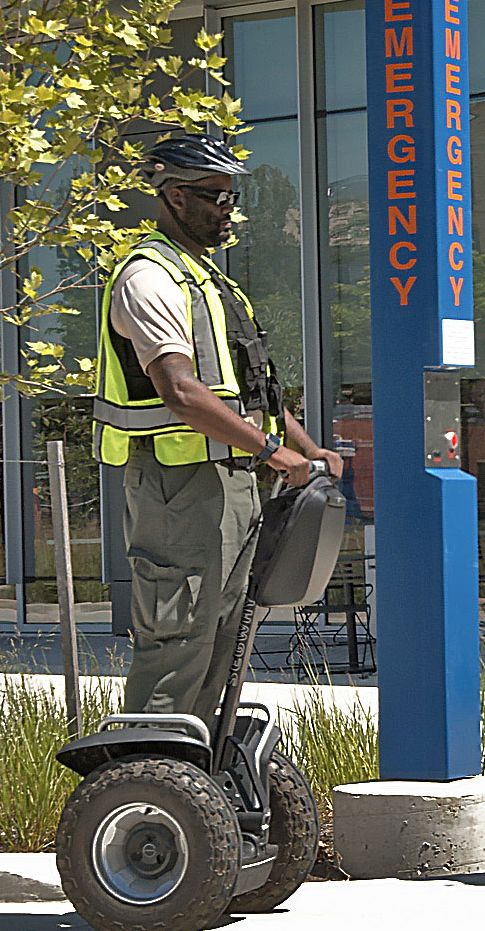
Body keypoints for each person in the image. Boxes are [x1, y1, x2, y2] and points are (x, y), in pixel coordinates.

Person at [92, 134, 342, 720]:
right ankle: (152, 783)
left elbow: (255, 393)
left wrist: (308, 449)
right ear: (175, 197)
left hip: (232, 482)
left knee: (223, 636)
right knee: (179, 636)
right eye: (213, 195)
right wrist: (277, 454)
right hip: (178, 488)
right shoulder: (148, 278)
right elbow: (181, 392)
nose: (227, 207)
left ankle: (199, 777)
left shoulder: (211, 284)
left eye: (232, 195)